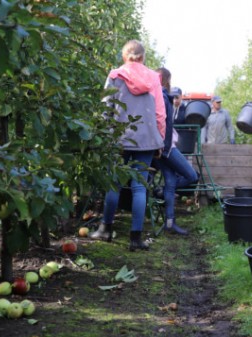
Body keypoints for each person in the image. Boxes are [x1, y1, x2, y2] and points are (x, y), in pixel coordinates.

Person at [90, 40, 166, 251]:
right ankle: (135, 238)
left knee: (113, 183)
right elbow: (160, 112)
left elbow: (106, 108)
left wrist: (104, 136)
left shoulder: (115, 76)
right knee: (139, 187)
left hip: (118, 138)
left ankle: (105, 229)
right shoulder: (153, 77)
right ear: (143, 57)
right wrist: (159, 139)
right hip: (146, 139)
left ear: (125, 56)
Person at [154, 68, 198, 235]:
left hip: (159, 147)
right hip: (166, 148)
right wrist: (164, 147)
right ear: (166, 79)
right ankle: (161, 192)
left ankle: (170, 223)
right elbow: (160, 122)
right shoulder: (163, 97)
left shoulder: (157, 96)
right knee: (192, 176)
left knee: (171, 183)